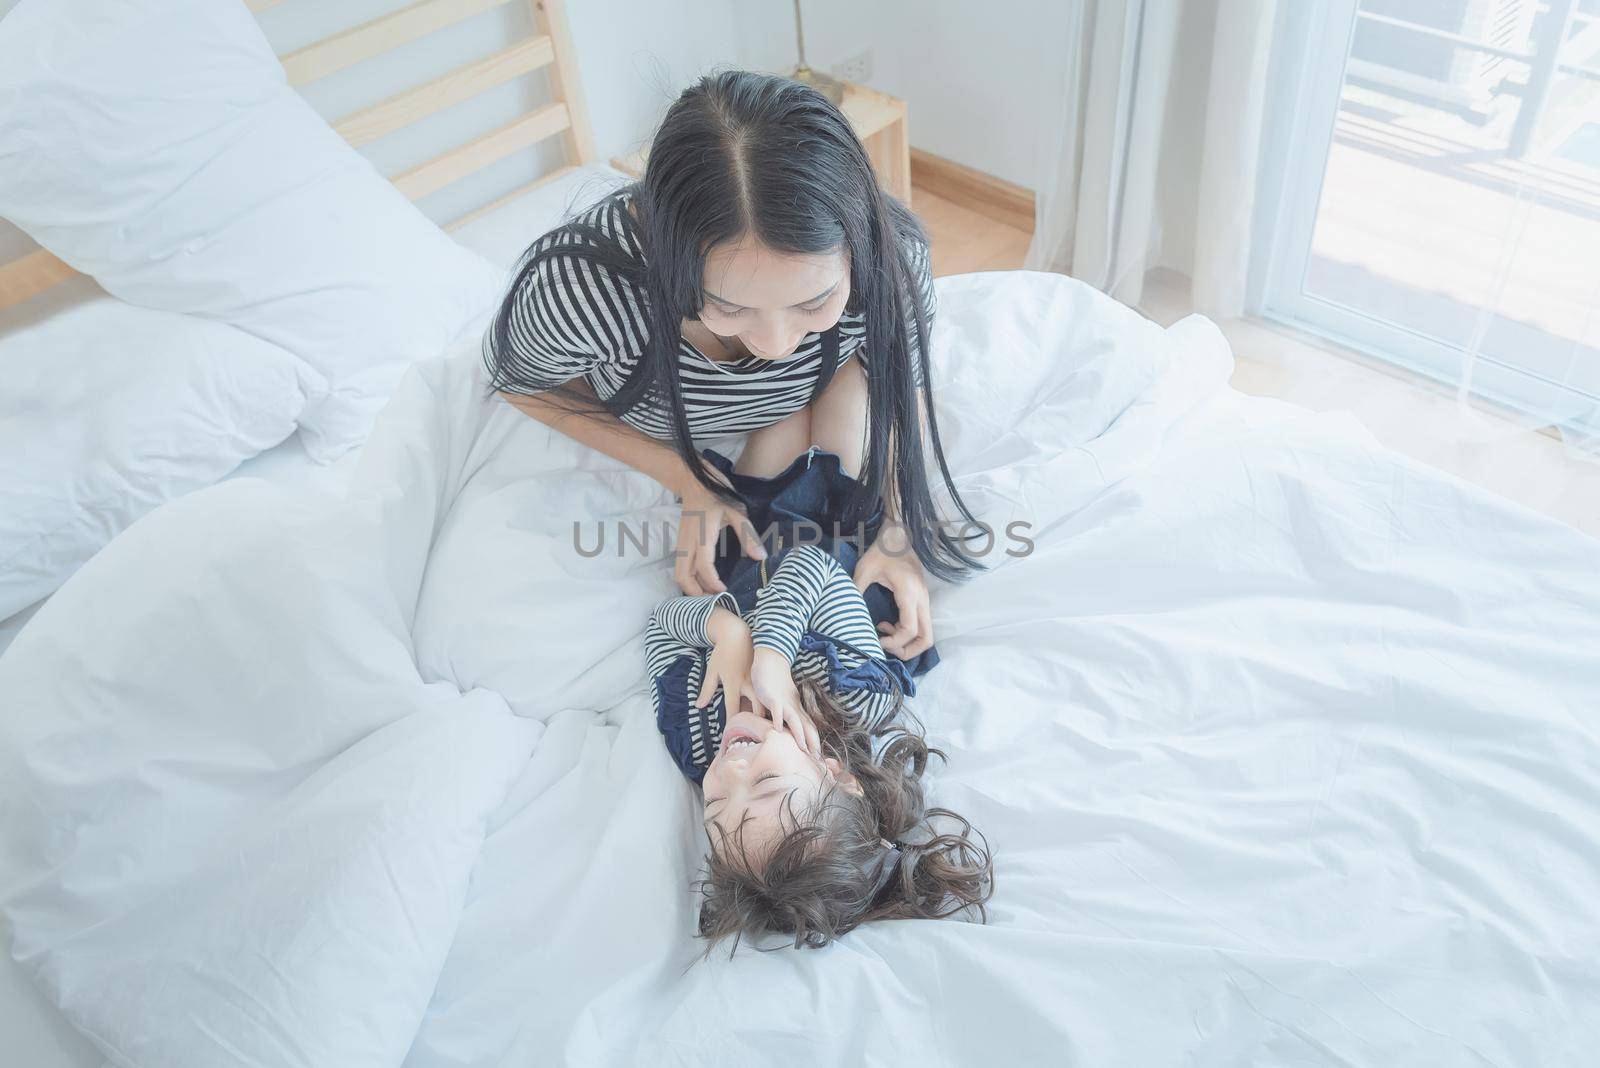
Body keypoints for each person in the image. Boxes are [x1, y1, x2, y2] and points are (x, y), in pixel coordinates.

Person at [484, 69, 983, 660]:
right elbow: (520, 383)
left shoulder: (891, 261)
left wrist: (899, 535)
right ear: (666, 257)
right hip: (715, 426)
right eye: (728, 307)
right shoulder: (588, 290)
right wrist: (686, 475)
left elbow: (901, 385)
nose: (775, 344)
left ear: (855, 244)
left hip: (835, 381)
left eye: (814, 301)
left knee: (846, 503)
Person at [645, 537, 993, 951]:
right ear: (835, 774)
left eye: (716, 804)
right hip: (816, 527)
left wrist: (727, 631)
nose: (731, 772)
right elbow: (810, 561)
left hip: (728, 555)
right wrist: (771, 656)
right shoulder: (854, 694)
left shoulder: (697, 740)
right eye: (766, 781)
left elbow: (661, 626)